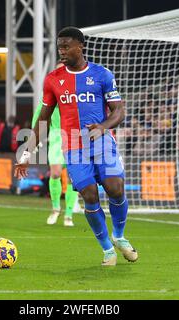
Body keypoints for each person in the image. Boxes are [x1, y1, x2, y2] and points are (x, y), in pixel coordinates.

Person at [14, 27, 138, 266]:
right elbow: (43, 119)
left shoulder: (102, 74)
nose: (62, 51)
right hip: (73, 145)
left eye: (66, 46)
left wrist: (103, 126)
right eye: (59, 46)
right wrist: (27, 153)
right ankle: (107, 250)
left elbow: (119, 110)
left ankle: (119, 236)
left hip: (101, 140)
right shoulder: (52, 80)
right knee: (89, 194)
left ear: (80, 46)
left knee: (115, 187)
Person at [31, 65, 79, 226]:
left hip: (75, 135)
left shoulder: (77, 91)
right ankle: (55, 209)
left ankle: (69, 214)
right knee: (56, 173)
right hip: (57, 136)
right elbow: (40, 114)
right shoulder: (51, 92)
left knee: (74, 177)